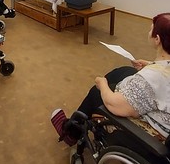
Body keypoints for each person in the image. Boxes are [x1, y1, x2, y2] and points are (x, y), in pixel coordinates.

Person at [51, 12, 170, 146]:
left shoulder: (149, 79)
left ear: (157, 39)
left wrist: (102, 84)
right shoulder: (159, 71)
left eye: (151, 29)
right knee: (123, 71)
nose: (149, 32)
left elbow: (115, 105)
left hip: (156, 129)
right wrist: (150, 65)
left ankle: (71, 133)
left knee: (97, 93)